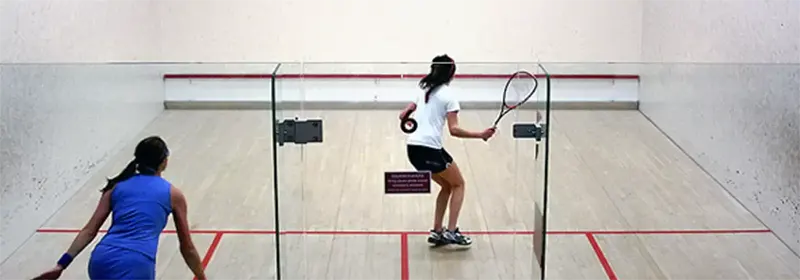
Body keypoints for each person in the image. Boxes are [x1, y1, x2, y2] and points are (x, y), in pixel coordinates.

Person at [33, 136, 207, 280]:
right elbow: (187, 247)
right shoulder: (173, 195)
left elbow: (88, 231)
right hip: (136, 263)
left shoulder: (116, 187)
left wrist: (61, 264)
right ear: (164, 162)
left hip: (101, 260)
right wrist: (202, 277)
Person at [399, 54, 496, 248]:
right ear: (451, 74)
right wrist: (481, 134)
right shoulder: (449, 97)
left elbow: (403, 114)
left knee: (447, 186)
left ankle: (437, 231)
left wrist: (411, 117)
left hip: (413, 149)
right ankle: (451, 232)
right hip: (430, 150)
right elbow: (454, 130)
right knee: (459, 184)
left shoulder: (423, 89)